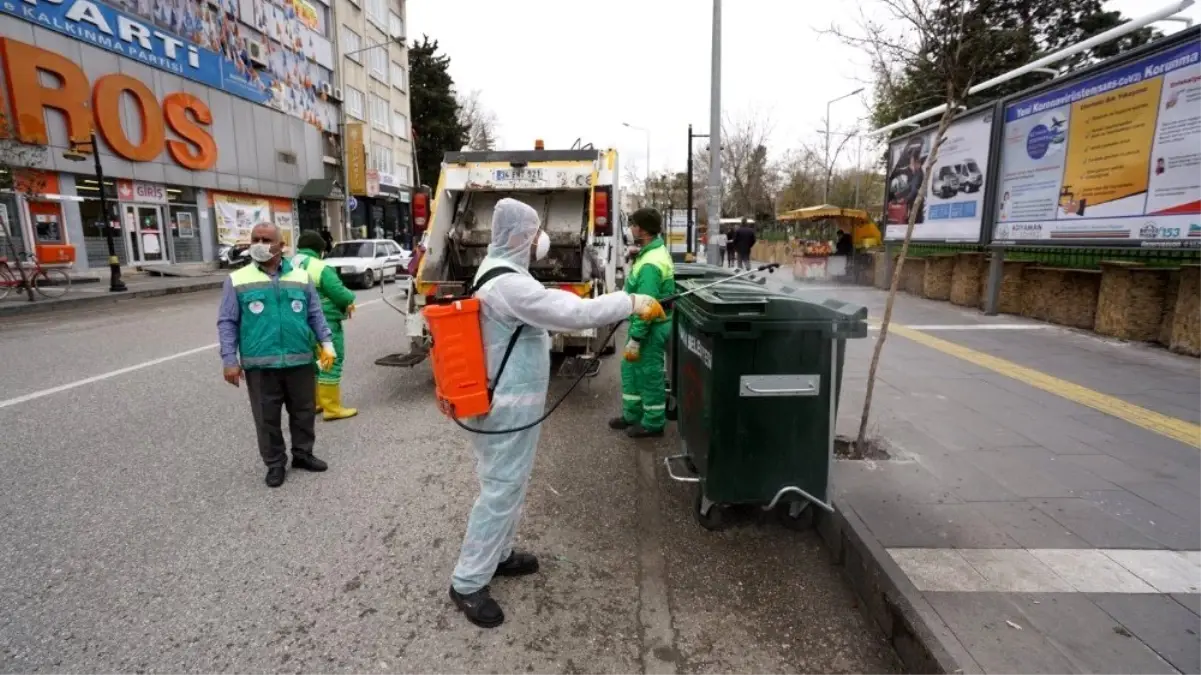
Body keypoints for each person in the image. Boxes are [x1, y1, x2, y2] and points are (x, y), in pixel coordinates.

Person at [449, 198, 665, 628]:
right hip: (504, 409)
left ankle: (500, 553)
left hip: (506, 406)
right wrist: (632, 300)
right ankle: (468, 582)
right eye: (534, 235)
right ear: (518, 238)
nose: (539, 242)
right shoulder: (509, 284)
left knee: (509, 485)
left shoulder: (502, 272)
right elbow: (574, 313)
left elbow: (546, 302)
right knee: (500, 490)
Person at [217, 222, 336, 488]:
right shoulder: (237, 280)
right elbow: (227, 322)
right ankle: (274, 464)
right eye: (255, 239)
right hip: (261, 364)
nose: (259, 244)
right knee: (266, 417)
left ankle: (303, 454)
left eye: (266, 239)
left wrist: (327, 342)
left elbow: (315, 314)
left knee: (304, 412)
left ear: (281, 247)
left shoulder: (301, 277)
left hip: (300, 359)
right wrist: (229, 360)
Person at [609, 208, 675, 439]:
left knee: (648, 373)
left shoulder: (651, 264)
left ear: (643, 229)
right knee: (630, 368)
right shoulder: (649, 253)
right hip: (643, 324)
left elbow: (647, 306)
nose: (631, 228)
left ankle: (653, 423)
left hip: (650, 326)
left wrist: (636, 337)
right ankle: (632, 415)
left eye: (633, 224)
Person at [293, 230, 359, 421]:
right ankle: (331, 407)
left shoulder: (287, 265)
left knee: (314, 363)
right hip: (323, 322)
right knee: (330, 360)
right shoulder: (319, 267)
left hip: (298, 323)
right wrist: (349, 298)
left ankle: (316, 402)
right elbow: (340, 294)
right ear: (319, 250)